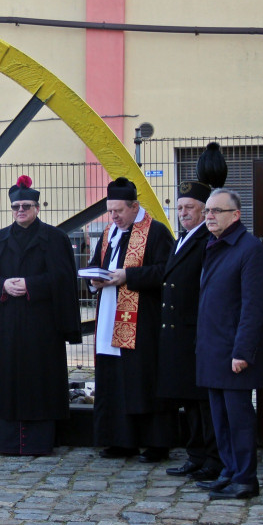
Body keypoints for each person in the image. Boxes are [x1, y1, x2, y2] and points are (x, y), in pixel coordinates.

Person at [0, 175, 82, 455]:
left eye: (27, 206)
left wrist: (31, 285)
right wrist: (3, 285)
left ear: (37, 207)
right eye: (16, 206)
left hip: (43, 327)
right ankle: (8, 442)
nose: (21, 210)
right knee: (9, 382)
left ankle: (39, 441)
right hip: (8, 326)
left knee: (40, 382)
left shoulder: (55, 238)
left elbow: (64, 279)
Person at [88, 177, 176, 462]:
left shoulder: (156, 232)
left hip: (143, 322)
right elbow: (96, 265)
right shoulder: (109, 233)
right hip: (108, 319)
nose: (113, 217)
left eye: (118, 211)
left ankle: (155, 443)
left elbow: (166, 271)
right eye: (110, 211)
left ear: (135, 206)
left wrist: (129, 276)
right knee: (114, 379)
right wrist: (94, 279)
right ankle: (120, 440)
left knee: (142, 380)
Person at [195, 188, 263, 500]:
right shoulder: (215, 245)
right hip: (213, 349)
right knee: (220, 419)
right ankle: (229, 471)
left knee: (238, 419)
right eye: (207, 212)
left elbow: (253, 307)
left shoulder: (249, 249)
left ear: (235, 215)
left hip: (233, 352)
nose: (208, 216)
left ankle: (245, 479)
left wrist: (242, 351)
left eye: (216, 211)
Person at [160, 143, 228, 483]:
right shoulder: (182, 238)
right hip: (179, 332)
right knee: (189, 399)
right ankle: (195, 454)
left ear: (205, 211)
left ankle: (213, 459)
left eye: (190, 208)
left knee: (204, 403)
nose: (183, 212)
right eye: (181, 207)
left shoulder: (208, 241)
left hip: (195, 331)